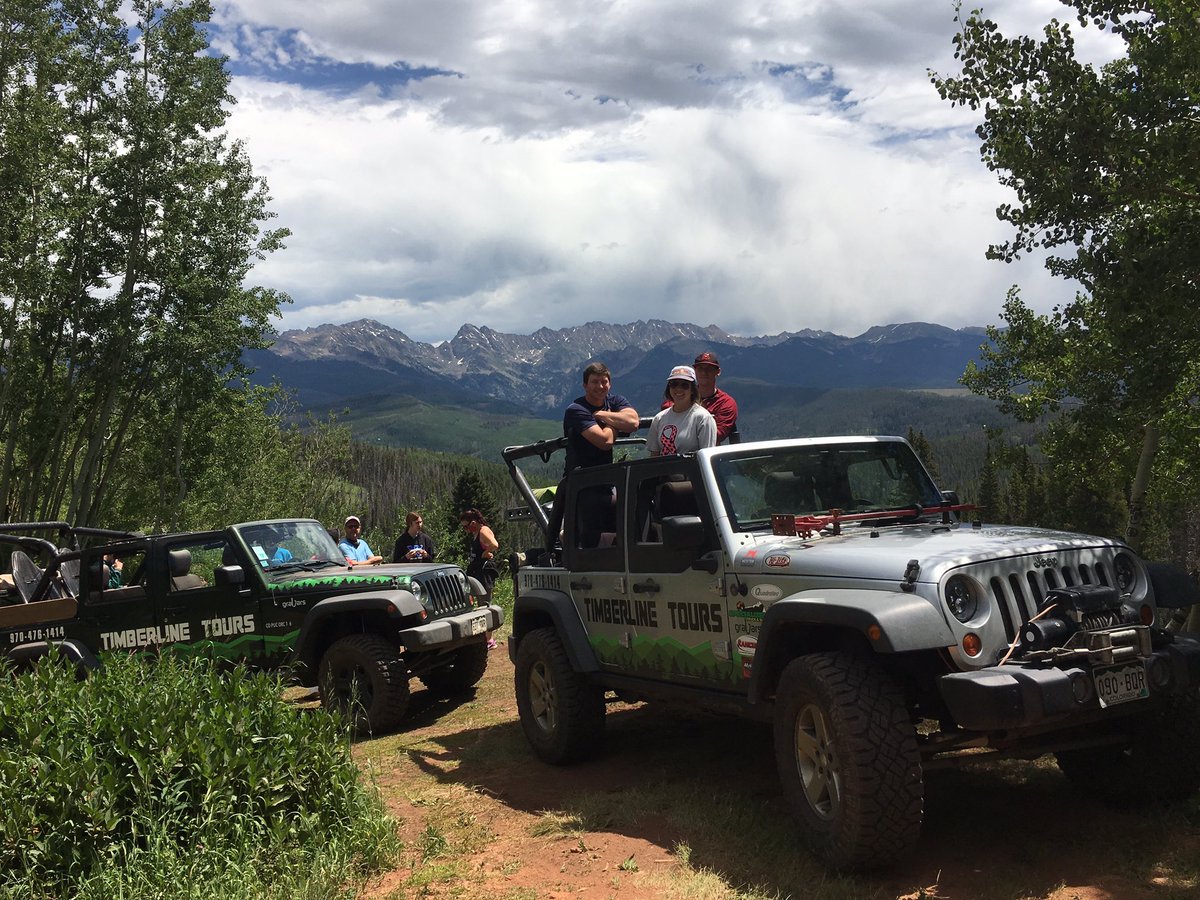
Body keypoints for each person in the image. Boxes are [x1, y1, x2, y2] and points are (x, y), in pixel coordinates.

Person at [562, 361, 640, 474]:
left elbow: (633, 423)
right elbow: (605, 442)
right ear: (585, 385)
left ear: (610, 384)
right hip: (580, 480)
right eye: (594, 382)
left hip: (606, 477)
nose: (600, 386)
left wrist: (602, 415)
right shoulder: (576, 409)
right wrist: (614, 422)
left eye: (604, 382)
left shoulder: (616, 401)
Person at [647, 365, 717, 456]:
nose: (678, 389)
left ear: (692, 389)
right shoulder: (659, 418)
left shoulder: (703, 418)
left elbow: (707, 456)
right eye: (674, 384)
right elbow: (654, 455)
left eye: (684, 385)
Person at [460, 508, 500, 649]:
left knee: (484, 604)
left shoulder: (483, 531)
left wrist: (486, 552)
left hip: (484, 572)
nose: (465, 529)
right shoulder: (476, 532)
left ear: (473, 522)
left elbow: (495, 544)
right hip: (476, 571)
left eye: (466, 526)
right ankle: (483, 637)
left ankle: (489, 640)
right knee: (478, 603)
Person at [688, 351, 739, 443]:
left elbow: (717, 436)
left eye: (709, 369)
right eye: (700, 368)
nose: (704, 372)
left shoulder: (726, 403)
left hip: (707, 455)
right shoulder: (683, 396)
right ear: (694, 371)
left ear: (718, 372)